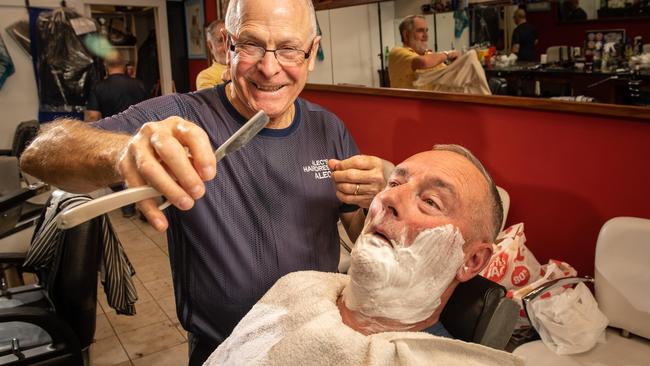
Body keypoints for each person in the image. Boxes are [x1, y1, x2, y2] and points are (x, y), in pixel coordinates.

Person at [19, 0, 388, 364]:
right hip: (225, 350)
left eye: (289, 49)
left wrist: (377, 206)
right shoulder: (179, 116)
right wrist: (122, 151)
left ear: (312, 51)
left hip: (316, 342)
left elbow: (355, 227)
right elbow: (38, 153)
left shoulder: (329, 128)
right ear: (226, 44)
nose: (269, 68)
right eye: (251, 45)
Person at [205, 144, 519, 366]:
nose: (387, 197)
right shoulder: (296, 286)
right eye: (394, 182)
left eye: (431, 202)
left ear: (473, 260)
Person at [85, 51, 150, 217]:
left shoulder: (99, 88)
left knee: (119, 171)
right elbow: (148, 109)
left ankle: (128, 208)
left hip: (112, 136)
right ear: (124, 65)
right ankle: (145, 207)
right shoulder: (139, 84)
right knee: (142, 169)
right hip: (138, 133)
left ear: (106, 66)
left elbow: (93, 116)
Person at [388, 15, 460, 89]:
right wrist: (448, 54)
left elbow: (449, 75)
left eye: (426, 31)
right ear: (406, 35)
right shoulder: (397, 52)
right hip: (409, 100)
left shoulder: (429, 55)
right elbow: (423, 62)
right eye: (420, 30)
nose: (426, 36)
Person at [196, 19, 230, 90]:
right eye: (221, 40)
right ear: (210, 46)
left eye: (230, 39)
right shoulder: (205, 77)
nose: (228, 45)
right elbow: (212, 100)